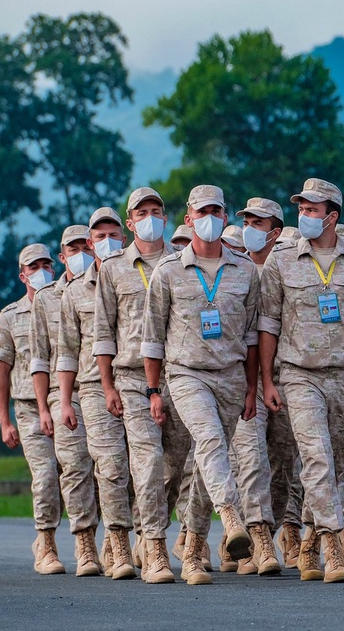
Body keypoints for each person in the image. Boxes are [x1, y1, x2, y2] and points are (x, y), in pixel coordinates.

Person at [258, 178, 344, 583]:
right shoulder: (281, 260)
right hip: (298, 374)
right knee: (316, 457)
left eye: (312, 209)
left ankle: (309, 539)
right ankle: (334, 543)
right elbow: (269, 324)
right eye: (302, 208)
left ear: (332, 216)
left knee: (336, 463)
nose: (305, 215)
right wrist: (268, 380)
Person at [142, 184, 265, 585]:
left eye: (216, 210)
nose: (210, 218)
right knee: (210, 442)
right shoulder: (169, 271)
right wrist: (154, 390)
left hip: (231, 376)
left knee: (203, 463)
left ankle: (194, 548)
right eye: (202, 211)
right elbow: (152, 337)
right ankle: (231, 517)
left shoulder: (245, 270)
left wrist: (251, 388)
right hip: (186, 374)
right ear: (188, 218)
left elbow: (250, 337)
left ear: (225, 216)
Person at [93, 187, 200, 584]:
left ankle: (150, 526)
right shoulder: (114, 268)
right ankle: (152, 545)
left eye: (156, 210)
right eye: (142, 212)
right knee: (147, 461)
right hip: (133, 377)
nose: (150, 217)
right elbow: (103, 334)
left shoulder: (179, 264)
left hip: (178, 374)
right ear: (130, 221)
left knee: (174, 466)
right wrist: (108, 387)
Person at [58, 207, 135, 580]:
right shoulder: (72, 292)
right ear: (90, 243)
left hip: (139, 381)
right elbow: (65, 352)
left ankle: (129, 538)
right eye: (98, 237)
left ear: (124, 237)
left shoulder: (139, 276)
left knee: (147, 470)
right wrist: (61, 401)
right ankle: (109, 543)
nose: (106, 242)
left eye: (113, 234)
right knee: (110, 466)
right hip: (91, 387)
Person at [30, 225, 101, 577]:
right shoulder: (46, 299)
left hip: (103, 389)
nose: (80, 252)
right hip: (64, 395)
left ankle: (121, 540)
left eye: (83, 245)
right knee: (73, 468)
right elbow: (40, 360)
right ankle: (84, 542)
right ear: (63, 256)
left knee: (110, 470)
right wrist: (44, 408)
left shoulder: (107, 283)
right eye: (71, 248)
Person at [0, 243, 64, 575]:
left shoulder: (66, 303)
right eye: (34, 267)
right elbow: (1, 373)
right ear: (23, 275)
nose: (42, 271)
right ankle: (46, 542)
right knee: (46, 475)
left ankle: (89, 541)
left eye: (47, 264)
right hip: (29, 408)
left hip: (65, 401)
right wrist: (5, 422)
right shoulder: (9, 316)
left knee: (81, 475)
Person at [238, 197, 303, 568]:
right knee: (251, 459)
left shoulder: (290, 271)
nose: (250, 228)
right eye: (247, 221)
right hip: (246, 383)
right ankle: (259, 539)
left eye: (258, 223)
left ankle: (269, 530)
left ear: (275, 232)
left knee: (283, 465)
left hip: (286, 379)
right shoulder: (233, 270)